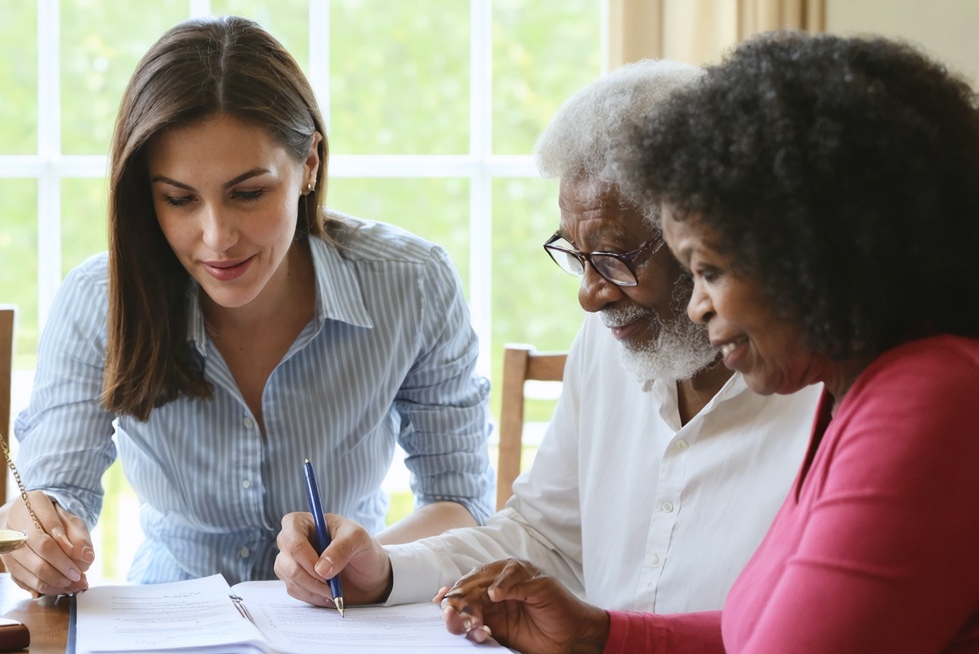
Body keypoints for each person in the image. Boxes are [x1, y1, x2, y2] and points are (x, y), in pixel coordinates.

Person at [411, 31, 979, 654]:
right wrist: (595, 635)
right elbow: (781, 649)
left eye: (710, 271)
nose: (696, 309)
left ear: (816, 260)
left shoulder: (933, 405)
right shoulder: (861, 391)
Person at [274, 60, 819, 613]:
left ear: (708, 238)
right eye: (576, 256)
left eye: (613, 257)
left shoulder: (827, 396)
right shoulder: (608, 340)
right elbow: (542, 538)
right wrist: (385, 571)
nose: (589, 294)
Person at [0, 16, 494, 595]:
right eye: (179, 200)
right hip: (171, 626)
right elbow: (50, 494)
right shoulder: (97, 299)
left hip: (347, 624)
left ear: (309, 166)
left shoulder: (414, 285)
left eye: (249, 194)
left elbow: (463, 504)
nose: (217, 237)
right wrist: (34, 535)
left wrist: (370, 562)